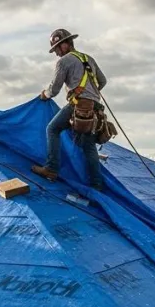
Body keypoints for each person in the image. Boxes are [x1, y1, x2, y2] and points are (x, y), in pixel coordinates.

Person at [32, 28, 108, 190]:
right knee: (89, 146)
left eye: (57, 48)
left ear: (65, 45)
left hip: (80, 106)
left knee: (52, 129)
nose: (57, 53)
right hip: (95, 108)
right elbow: (102, 81)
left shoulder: (64, 61)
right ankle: (97, 185)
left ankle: (51, 169)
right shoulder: (88, 58)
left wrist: (44, 95)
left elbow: (54, 90)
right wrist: (90, 93)